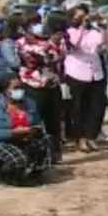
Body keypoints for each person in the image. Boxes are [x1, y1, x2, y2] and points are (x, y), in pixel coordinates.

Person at [18, 14, 65, 162]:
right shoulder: (21, 43)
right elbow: (38, 57)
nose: (38, 26)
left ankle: (55, 154)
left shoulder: (54, 41)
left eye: (39, 23)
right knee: (35, 120)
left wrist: (53, 47)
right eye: (34, 24)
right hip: (32, 85)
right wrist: (50, 49)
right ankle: (37, 154)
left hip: (52, 85)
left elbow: (59, 55)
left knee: (54, 121)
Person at [63, 5, 107, 153]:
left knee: (97, 106)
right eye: (79, 17)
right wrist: (81, 28)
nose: (84, 19)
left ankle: (91, 136)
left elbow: (101, 46)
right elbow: (74, 46)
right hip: (77, 72)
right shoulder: (69, 31)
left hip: (95, 72)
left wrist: (101, 27)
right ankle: (80, 138)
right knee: (78, 108)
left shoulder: (94, 31)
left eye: (85, 16)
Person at [0, 70, 51, 185]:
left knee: (44, 139)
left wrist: (31, 131)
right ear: (4, 90)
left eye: (21, 87)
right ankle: (7, 175)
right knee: (18, 160)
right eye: (15, 88)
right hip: (3, 140)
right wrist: (12, 133)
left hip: (24, 137)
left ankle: (35, 173)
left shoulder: (29, 103)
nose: (19, 91)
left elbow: (37, 122)